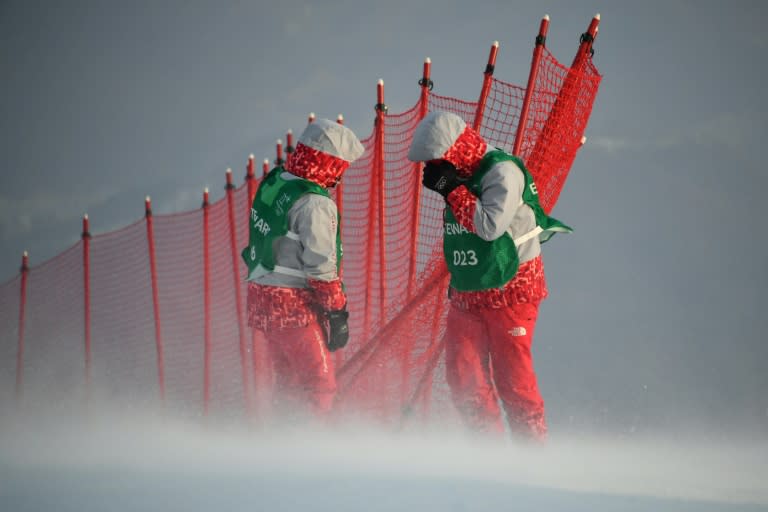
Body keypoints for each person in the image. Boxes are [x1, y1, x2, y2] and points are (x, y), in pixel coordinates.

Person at [407, 111, 571, 441]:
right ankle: (488, 450)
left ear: (453, 151)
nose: (432, 168)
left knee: (513, 381)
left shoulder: (502, 172)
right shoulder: (459, 177)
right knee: (462, 376)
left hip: (512, 289)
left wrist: (451, 189)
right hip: (469, 291)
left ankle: (533, 453)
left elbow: (488, 227)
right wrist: (451, 186)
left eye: (437, 160)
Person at [242, 118, 364, 419]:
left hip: (262, 298)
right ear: (330, 163)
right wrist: (337, 311)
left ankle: (284, 440)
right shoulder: (314, 202)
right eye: (340, 167)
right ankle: (313, 451)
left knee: (288, 381)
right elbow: (320, 265)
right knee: (318, 382)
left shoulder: (277, 180)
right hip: (293, 307)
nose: (340, 176)